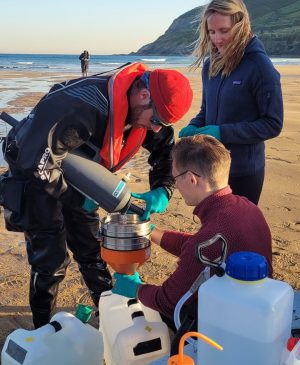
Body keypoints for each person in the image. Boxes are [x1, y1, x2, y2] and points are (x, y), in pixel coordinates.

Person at [2, 62, 193, 328]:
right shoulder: (80, 107)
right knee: (51, 261)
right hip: (33, 168)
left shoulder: (146, 114)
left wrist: (163, 187)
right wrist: (75, 197)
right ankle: (43, 329)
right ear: (143, 95)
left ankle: (112, 313)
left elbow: (165, 150)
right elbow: (36, 162)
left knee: (92, 248)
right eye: (157, 120)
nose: (156, 129)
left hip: (78, 169)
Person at [113, 135, 273, 329]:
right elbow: (197, 246)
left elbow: (169, 302)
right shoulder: (246, 207)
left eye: (175, 178)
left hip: (230, 325)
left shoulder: (212, 235)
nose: (176, 185)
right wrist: (148, 231)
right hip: (257, 307)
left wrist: (135, 289)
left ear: (191, 178)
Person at [178, 0, 283, 205]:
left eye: (224, 30)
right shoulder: (210, 65)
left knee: (237, 234)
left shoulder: (260, 67)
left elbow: (272, 124)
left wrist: (222, 133)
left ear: (240, 25)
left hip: (244, 171)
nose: (217, 39)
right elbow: (206, 110)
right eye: (212, 32)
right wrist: (194, 125)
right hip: (209, 168)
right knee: (212, 230)